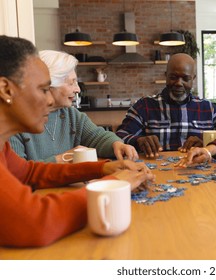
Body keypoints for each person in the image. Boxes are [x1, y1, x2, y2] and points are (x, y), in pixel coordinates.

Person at [0, 35, 155, 247]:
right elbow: (36, 222)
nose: (49, 99)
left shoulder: (3, 146)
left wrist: (103, 168)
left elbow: (29, 173)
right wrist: (113, 185)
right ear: (6, 90)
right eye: (43, 90)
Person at [9, 50, 138, 163]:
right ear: (49, 85)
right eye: (71, 83)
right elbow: (17, 174)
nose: (77, 89)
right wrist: (63, 158)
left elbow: (97, 136)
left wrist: (116, 144)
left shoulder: (70, 113)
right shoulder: (14, 121)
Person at [116, 53, 216, 158]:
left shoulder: (208, 108)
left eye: (185, 78)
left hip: (199, 171)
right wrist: (138, 141)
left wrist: (207, 144)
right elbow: (119, 137)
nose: (179, 83)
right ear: (166, 76)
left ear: (193, 79)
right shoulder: (143, 106)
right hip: (155, 173)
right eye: (173, 77)